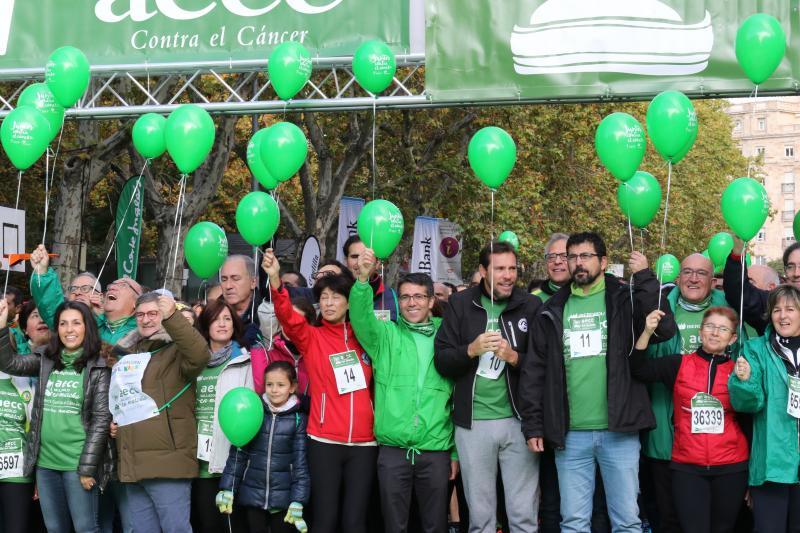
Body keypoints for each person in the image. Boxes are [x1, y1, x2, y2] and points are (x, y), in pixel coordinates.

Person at [520, 232, 674, 533]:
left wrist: (643, 275)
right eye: (572, 256)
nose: (578, 263)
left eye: (586, 256)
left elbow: (665, 328)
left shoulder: (625, 298)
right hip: (570, 433)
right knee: (574, 523)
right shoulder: (552, 308)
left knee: (627, 522)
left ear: (603, 262)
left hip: (619, 430)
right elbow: (535, 371)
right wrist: (534, 425)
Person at [262, 248, 376, 533]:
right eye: (323, 297)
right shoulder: (312, 337)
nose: (328, 303)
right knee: (325, 520)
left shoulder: (368, 338)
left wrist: (365, 275)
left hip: (365, 443)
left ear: (349, 303)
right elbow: (288, 317)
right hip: (323, 441)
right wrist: (276, 280)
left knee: (355, 523)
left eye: (335, 297)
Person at [434, 240, 541, 533]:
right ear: (483, 271)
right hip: (473, 424)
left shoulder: (530, 305)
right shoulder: (460, 303)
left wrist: (514, 357)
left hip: (518, 423)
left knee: (523, 515)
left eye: (512, 268)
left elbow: (545, 365)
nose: (508, 275)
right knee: (481, 517)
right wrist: (470, 349)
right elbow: (442, 360)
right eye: (499, 269)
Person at [351, 248, 457, 533]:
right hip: (393, 451)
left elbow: (457, 397)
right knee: (394, 526)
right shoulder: (386, 335)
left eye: (419, 296)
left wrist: (455, 454)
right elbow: (360, 318)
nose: (412, 303)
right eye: (406, 297)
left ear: (431, 301)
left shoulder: (447, 334)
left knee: (434, 526)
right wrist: (362, 281)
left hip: (435, 450)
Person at [642, 252, 738, 533]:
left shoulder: (730, 312)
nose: (693, 278)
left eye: (701, 273)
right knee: (668, 516)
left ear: (713, 280)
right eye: (687, 272)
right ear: (677, 277)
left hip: (715, 447)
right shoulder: (660, 309)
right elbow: (641, 365)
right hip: (664, 430)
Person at [632, 307, 749, 533]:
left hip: (732, 467)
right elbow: (638, 369)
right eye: (710, 326)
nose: (715, 333)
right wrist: (646, 332)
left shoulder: (740, 371)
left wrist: (746, 383)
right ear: (701, 330)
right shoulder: (679, 364)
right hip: (688, 467)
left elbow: (751, 417)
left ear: (733, 338)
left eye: (723, 329)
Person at [0, 299, 112, 533]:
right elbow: (9, 363)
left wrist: (87, 468)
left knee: (85, 528)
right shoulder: (46, 360)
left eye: (76, 323)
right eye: (63, 324)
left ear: (87, 327)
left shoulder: (98, 367)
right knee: (55, 528)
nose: (69, 330)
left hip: (77, 466)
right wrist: (2, 328)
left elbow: (101, 421)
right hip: (45, 465)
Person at [111, 292, 210, 533]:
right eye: (140, 314)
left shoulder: (178, 349)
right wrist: (117, 423)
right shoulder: (127, 354)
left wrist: (173, 317)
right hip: (133, 462)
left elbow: (200, 355)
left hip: (168, 464)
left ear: (164, 315)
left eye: (153, 313)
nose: (146, 319)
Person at [729, 284, 800, 532]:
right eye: (777, 310)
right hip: (773, 463)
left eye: (790, 309)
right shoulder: (756, 349)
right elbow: (747, 404)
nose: (783, 316)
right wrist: (745, 381)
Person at [217, 361, 310, 533]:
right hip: (253, 495)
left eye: (281, 385)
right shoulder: (254, 411)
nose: (274, 390)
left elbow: (300, 464)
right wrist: (227, 488)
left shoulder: (298, 419)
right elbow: (239, 453)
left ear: (292, 387)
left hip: (283, 499)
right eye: (269, 384)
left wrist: (298, 500)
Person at [191, 298, 254, 533]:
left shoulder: (245, 361)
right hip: (198, 460)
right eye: (216, 319)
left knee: (232, 525)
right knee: (206, 524)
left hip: (231, 458)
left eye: (227, 318)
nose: (222, 324)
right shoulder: (193, 362)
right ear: (206, 324)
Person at [29, 244, 141, 345]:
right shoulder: (77, 328)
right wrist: (42, 273)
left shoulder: (145, 328)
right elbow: (51, 306)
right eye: (73, 289)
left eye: (85, 289)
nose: (77, 293)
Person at [723, 239, 800, 336]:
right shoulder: (771, 301)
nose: (796, 273)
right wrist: (737, 255)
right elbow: (738, 292)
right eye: (790, 266)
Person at [252, 295, 314, 409]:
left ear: (309, 326)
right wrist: (257, 349)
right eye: (286, 320)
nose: (290, 326)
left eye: (297, 322)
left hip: (310, 422)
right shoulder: (268, 351)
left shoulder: (317, 353)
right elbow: (261, 390)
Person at [343, 235, 398, 321]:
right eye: (354, 257)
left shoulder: (391, 296)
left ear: (377, 263)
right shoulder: (335, 293)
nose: (360, 262)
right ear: (346, 261)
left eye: (366, 257)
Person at [220, 254, 261, 347]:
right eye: (224, 279)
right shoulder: (213, 313)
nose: (228, 286)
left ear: (253, 282)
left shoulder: (266, 314)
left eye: (235, 279)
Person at [532, 232, 570, 302]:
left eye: (564, 255)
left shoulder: (588, 296)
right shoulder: (532, 300)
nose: (557, 261)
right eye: (552, 256)